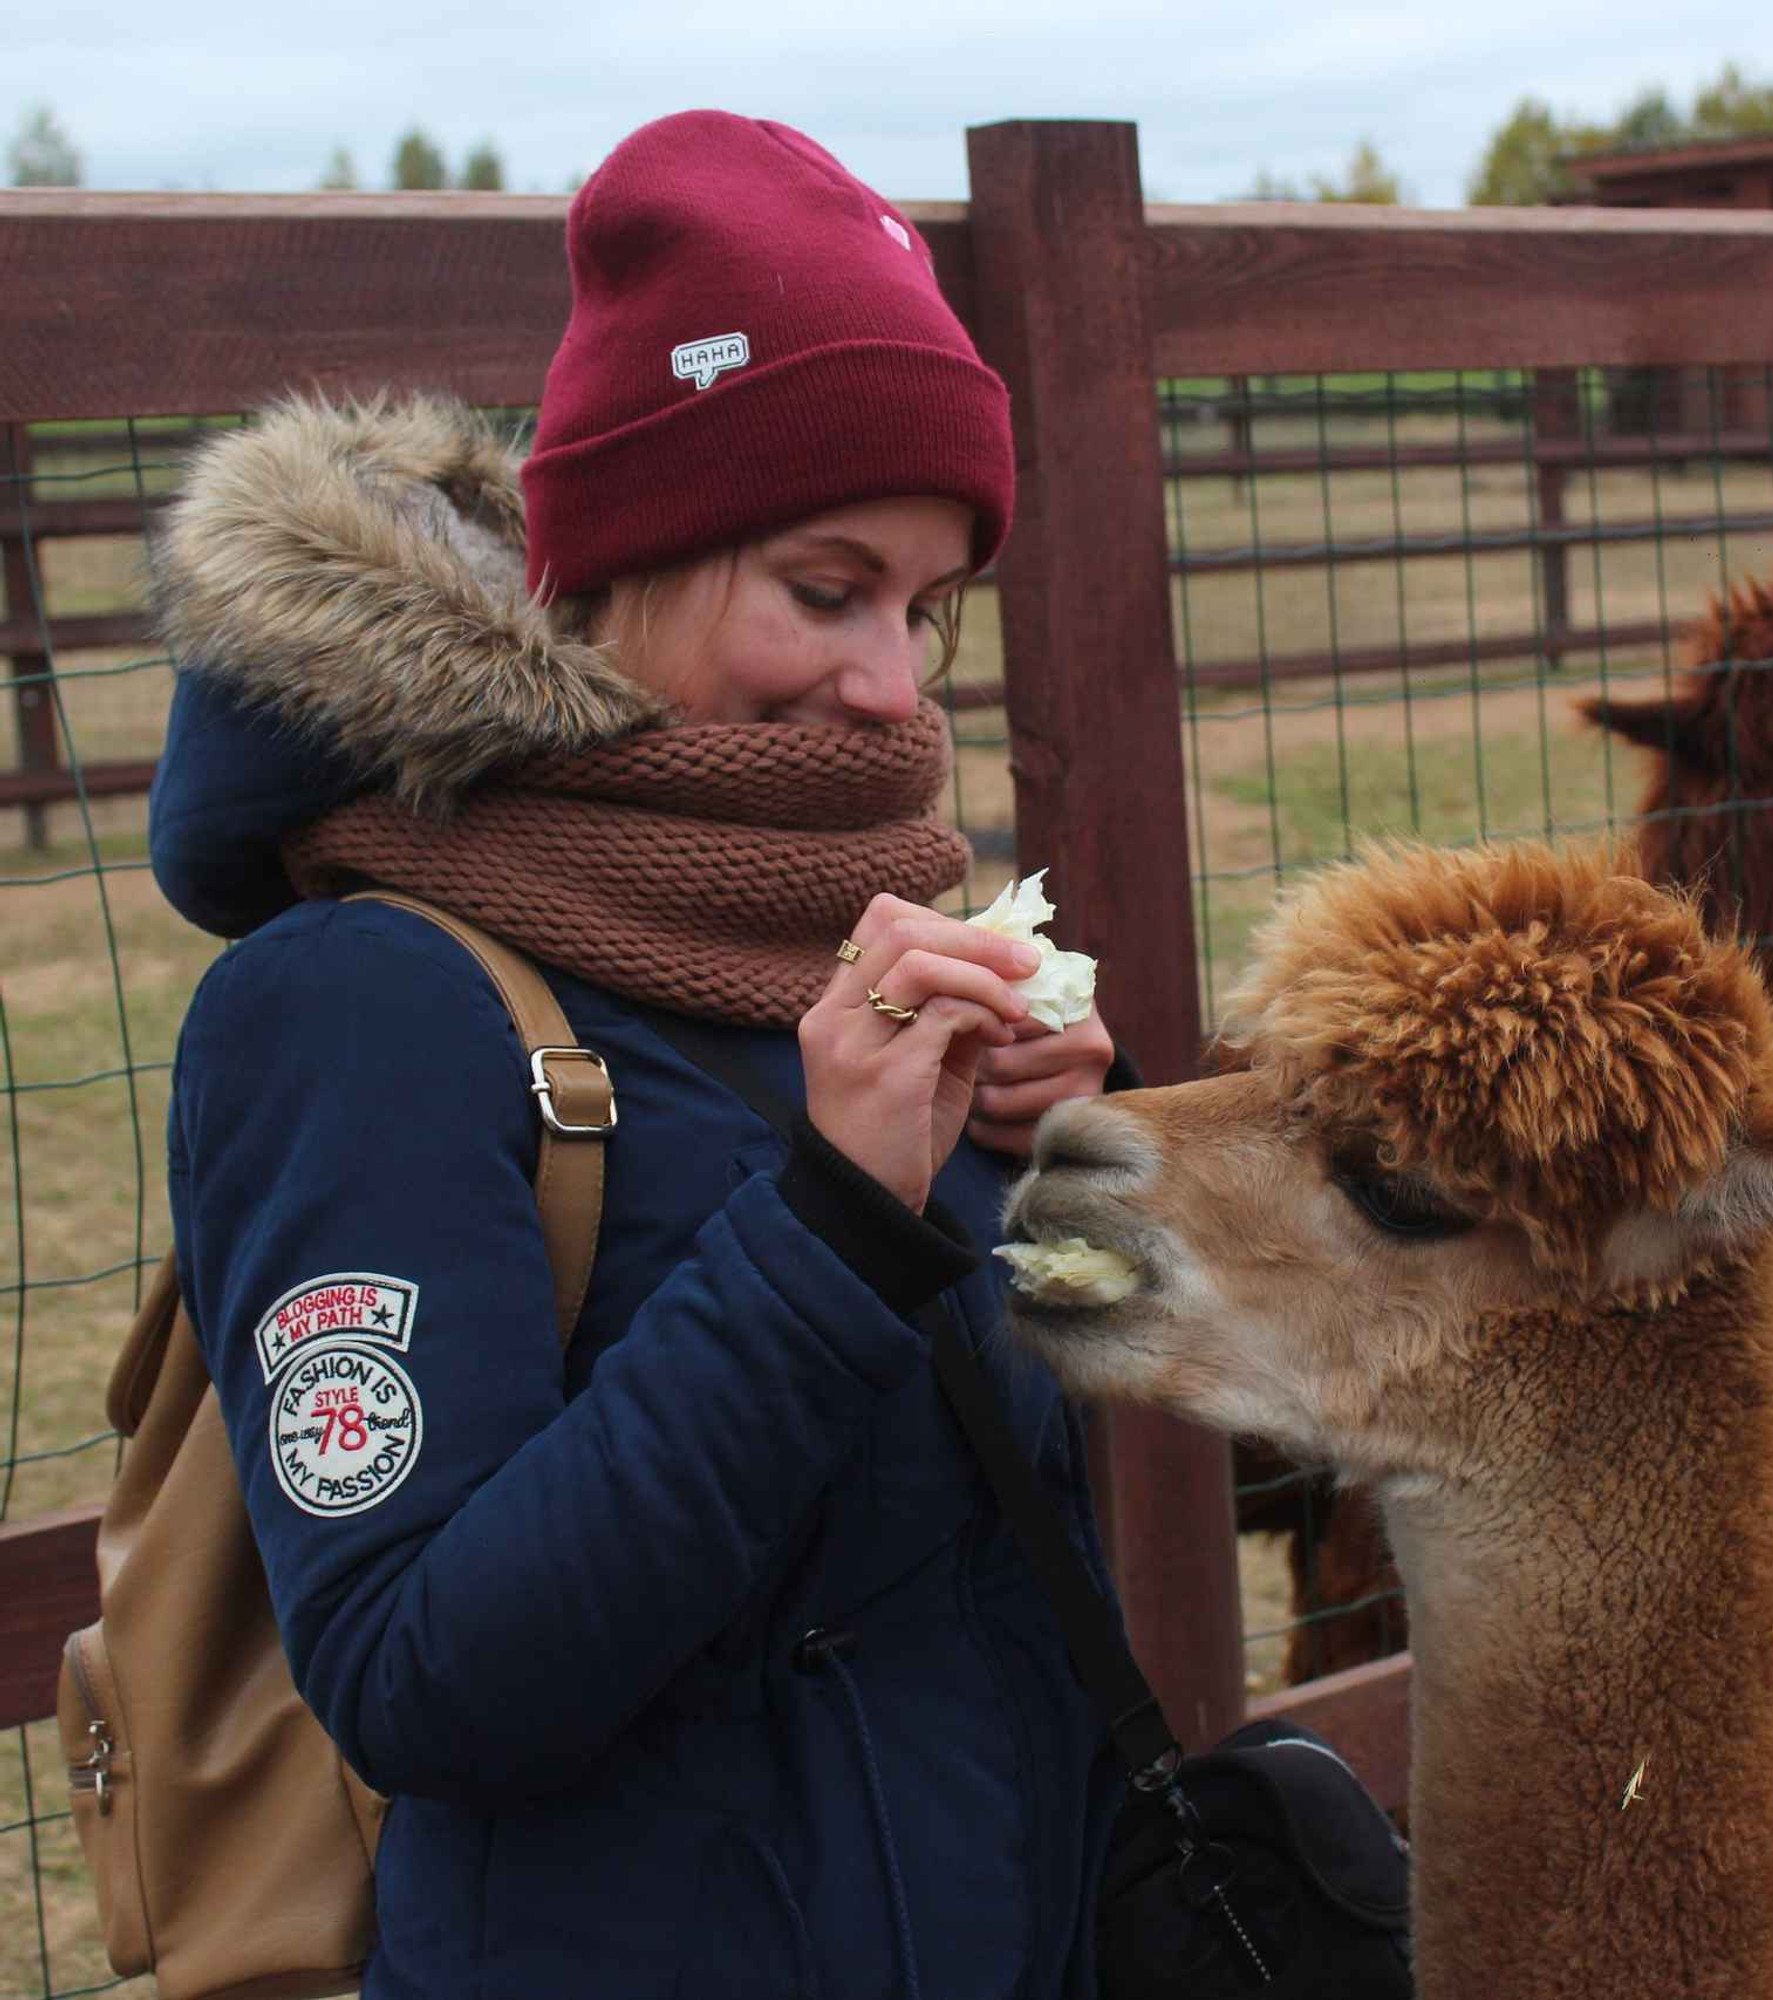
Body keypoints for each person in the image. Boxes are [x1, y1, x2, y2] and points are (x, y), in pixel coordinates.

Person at [148, 110, 1129, 1999]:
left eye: (928, 611)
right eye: (827, 591)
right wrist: (837, 1223)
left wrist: (1069, 1160)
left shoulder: (849, 934)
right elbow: (421, 1675)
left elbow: (997, 1517)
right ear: (622, 565)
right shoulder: (359, 1001)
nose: (893, 690)